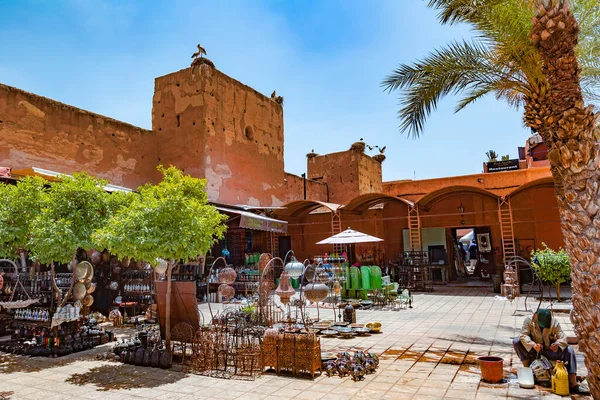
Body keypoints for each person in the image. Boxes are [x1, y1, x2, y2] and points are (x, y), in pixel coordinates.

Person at [513, 308, 587, 394]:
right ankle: (528, 370)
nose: (543, 328)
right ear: (535, 317)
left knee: (569, 350)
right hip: (535, 351)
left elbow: (563, 337)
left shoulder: (554, 323)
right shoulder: (529, 320)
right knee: (516, 341)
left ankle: (573, 383)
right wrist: (533, 345)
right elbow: (523, 335)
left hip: (549, 351)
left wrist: (557, 345)